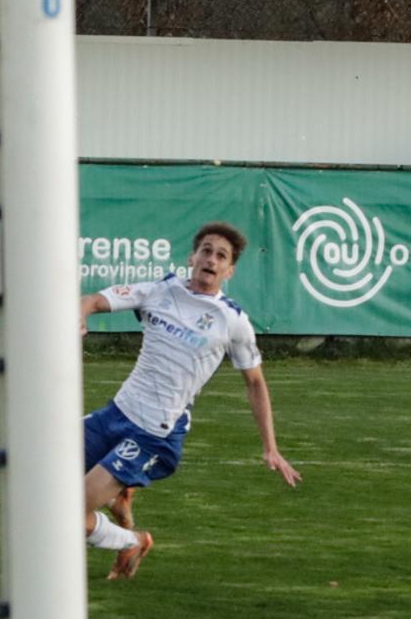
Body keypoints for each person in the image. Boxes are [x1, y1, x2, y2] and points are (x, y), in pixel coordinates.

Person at [80, 221, 301, 580]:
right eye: (206, 251)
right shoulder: (160, 291)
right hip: (115, 414)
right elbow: (92, 300)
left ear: (229, 271)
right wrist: (81, 314)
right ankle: (117, 495)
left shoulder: (232, 321)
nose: (211, 259)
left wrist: (271, 448)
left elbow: (255, 383)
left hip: (154, 434)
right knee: (39, 469)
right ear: (192, 257)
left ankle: (132, 541)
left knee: (67, 512)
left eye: (221, 256)